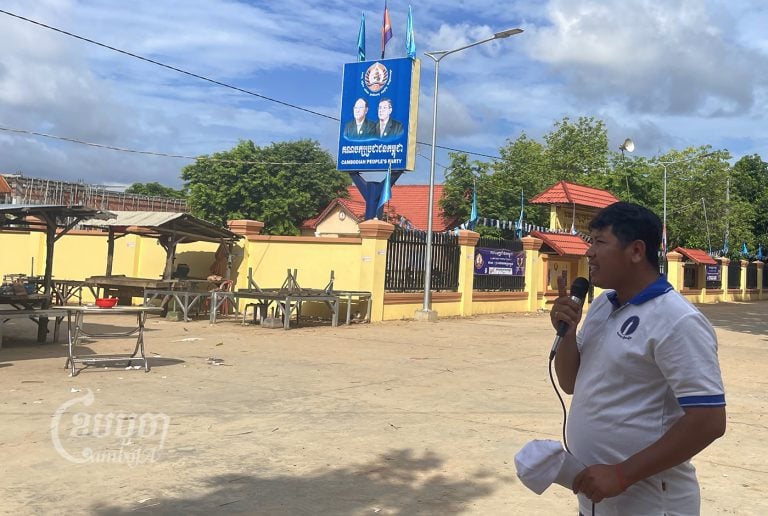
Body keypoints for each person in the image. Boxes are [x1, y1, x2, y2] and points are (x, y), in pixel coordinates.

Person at [550, 201, 726, 515]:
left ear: (635, 251)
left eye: (600, 242)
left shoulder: (677, 320)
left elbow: (709, 421)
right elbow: (570, 382)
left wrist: (621, 474)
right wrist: (569, 332)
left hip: (652, 506)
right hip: (596, 502)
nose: (589, 252)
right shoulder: (604, 304)